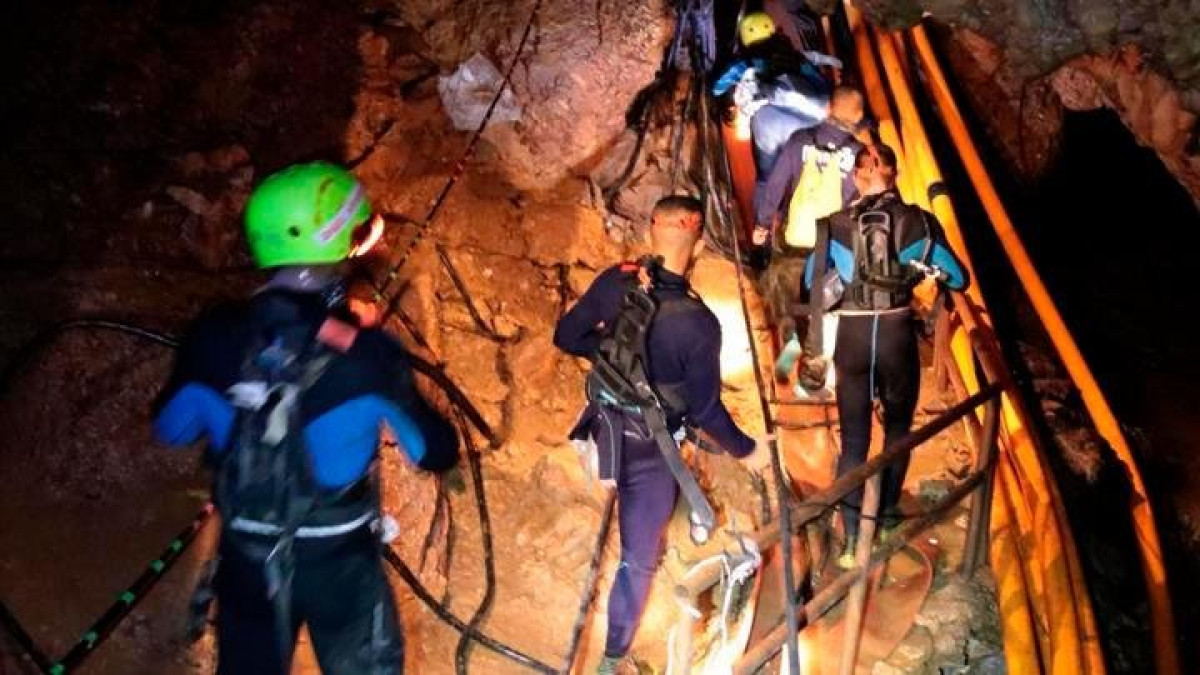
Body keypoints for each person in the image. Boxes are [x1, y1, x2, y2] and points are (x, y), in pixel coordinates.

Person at [153, 162, 459, 674]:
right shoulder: (368, 356)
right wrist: (377, 354)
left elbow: (171, 429)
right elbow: (435, 451)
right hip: (339, 563)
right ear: (337, 243)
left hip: (248, 560)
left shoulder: (212, 336)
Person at [553, 195, 771, 675]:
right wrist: (749, 450)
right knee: (638, 560)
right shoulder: (698, 322)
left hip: (601, 428)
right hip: (651, 453)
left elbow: (567, 337)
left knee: (641, 517)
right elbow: (707, 410)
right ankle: (612, 659)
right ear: (693, 227)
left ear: (654, 226)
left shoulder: (616, 280)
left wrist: (613, 361)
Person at [801, 145, 968, 568]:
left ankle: (851, 538)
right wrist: (917, 269)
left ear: (856, 177)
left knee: (854, 439)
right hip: (896, 336)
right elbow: (959, 277)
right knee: (897, 430)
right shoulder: (918, 222)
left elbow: (810, 281)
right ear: (894, 173)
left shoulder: (832, 226)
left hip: (853, 339)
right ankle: (888, 515)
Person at [752, 85, 866, 388]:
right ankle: (816, 357)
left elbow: (776, 185)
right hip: (828, 241)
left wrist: (763, 223)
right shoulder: (858, 154)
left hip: (795, 233)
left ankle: (789, 335)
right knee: (822, 298)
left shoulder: (801, 140)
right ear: (858, 117)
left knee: (784, 288)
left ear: (829, 108)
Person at [712, 11, 837, 189]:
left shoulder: (746, 63)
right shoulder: (797, 59)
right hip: (811, 124)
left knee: (768, 176)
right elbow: (822, 86)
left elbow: (717, 88)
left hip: (772, 127)